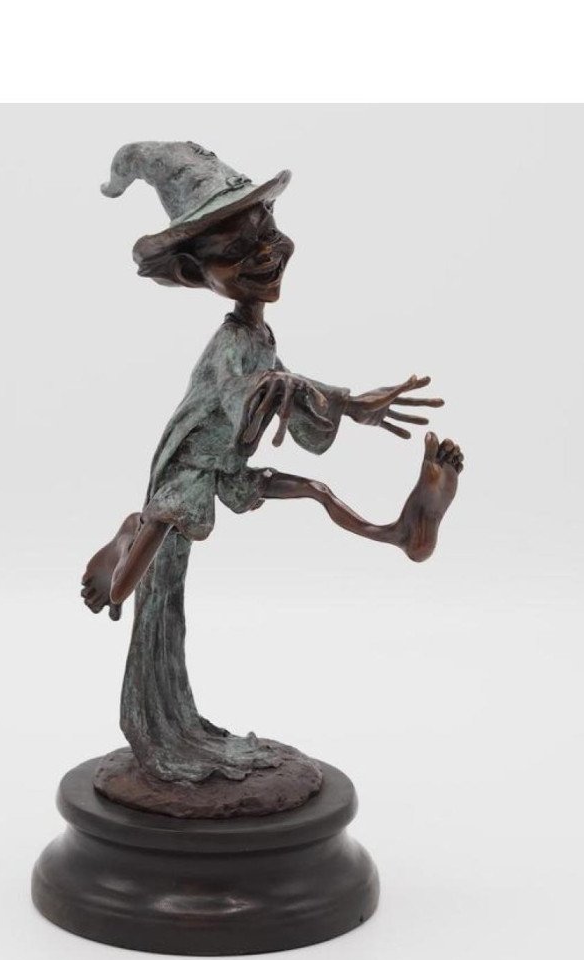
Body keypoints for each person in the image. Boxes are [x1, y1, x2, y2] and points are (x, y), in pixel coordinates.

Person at [80, 142, 463, 783]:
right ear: (193, 272)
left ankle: (401, 533)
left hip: (225, 467)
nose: (266, 253)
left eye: (269, 232)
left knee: (315, 489)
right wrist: (293, 393)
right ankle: (128, 532)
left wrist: (351, 404)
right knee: (127, 592)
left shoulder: (256, 333)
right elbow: (246, 394)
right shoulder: (231, 343)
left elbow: (279, 384)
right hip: (186, 479)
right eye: (237, 249)